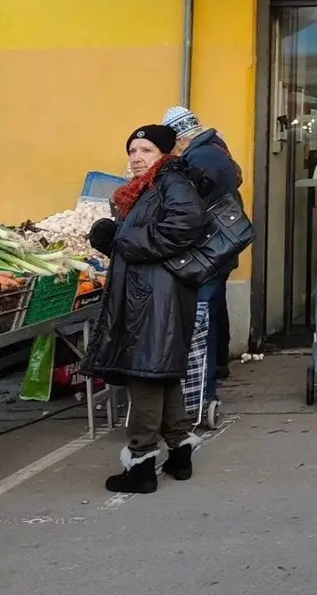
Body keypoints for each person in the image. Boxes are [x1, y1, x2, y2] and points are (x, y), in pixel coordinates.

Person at [83, 124, 207, 494]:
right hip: (148, 292)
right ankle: (180, 451)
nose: (137, 158)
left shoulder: (172, 181)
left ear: (164, 154)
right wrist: (113, 242)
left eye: (146, 151)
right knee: (161, 372)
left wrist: (125, 238)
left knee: (146, 374)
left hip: (157, 296)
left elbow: (185, 225)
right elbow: (145, 243)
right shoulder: (146, 187)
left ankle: (140, 464)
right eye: (133, 151)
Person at [162, 105, 243, 398]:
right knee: (214, 308)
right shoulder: (215, 148)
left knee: (202, 316)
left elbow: (189, 205)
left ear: (179, 137)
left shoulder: (199, 158)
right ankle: (218, 366)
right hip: (221, 246)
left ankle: (203, 391)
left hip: (208, 249)